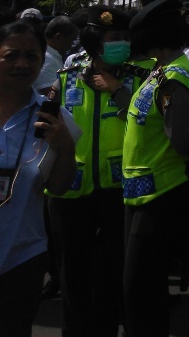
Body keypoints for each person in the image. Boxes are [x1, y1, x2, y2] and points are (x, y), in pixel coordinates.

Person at [47, 6, 152, 337]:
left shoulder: (144, 77)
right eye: (112, 38)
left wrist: (118, 90)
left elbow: (152, 124)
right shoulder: (66, 78)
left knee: (112, 270)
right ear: (94, 41)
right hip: (71, 189)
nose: (120, 44)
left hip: (119, 192)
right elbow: (46, 130)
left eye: (124, 37)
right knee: (72, 271)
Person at [122, 0, 189, 337]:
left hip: (161, 196)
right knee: (141, 289)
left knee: (141, 290)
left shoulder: (174, 79)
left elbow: (182, 140)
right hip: (144, 195)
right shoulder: (160, 73)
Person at [0, 20, 79, 337]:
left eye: (31, 56)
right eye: (11, 55)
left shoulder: (54, 118)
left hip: (22, 258)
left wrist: (65, 148)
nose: (22, 63)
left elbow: (58, 187)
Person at [35, 15, 79, 93]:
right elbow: (49, 94)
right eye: (71, 40)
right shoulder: (47, 60)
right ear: (59, 37)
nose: (72, 45)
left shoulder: (52, 56)